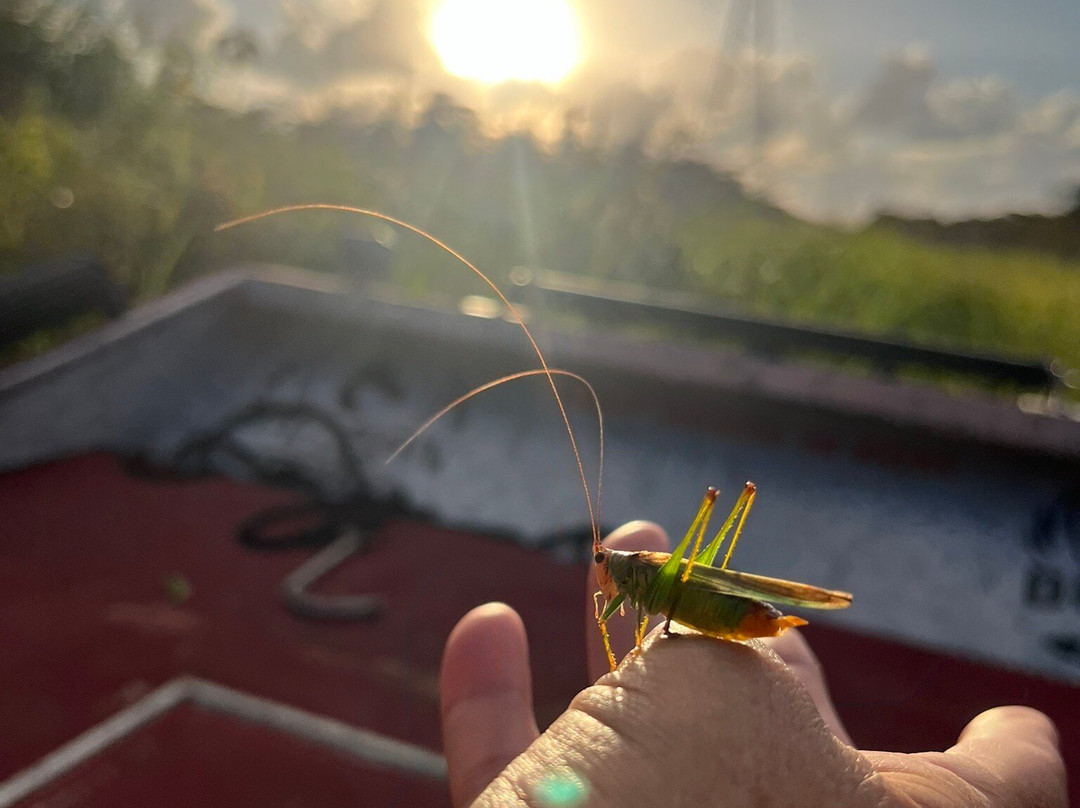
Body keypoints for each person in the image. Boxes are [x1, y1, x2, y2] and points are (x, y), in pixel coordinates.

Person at [440, 522, 1068, 808]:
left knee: (684, 557)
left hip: (711, 601)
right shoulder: (624, 579)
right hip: (701, 609)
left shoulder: (637, 573)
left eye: (603, 563)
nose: (601, 572)